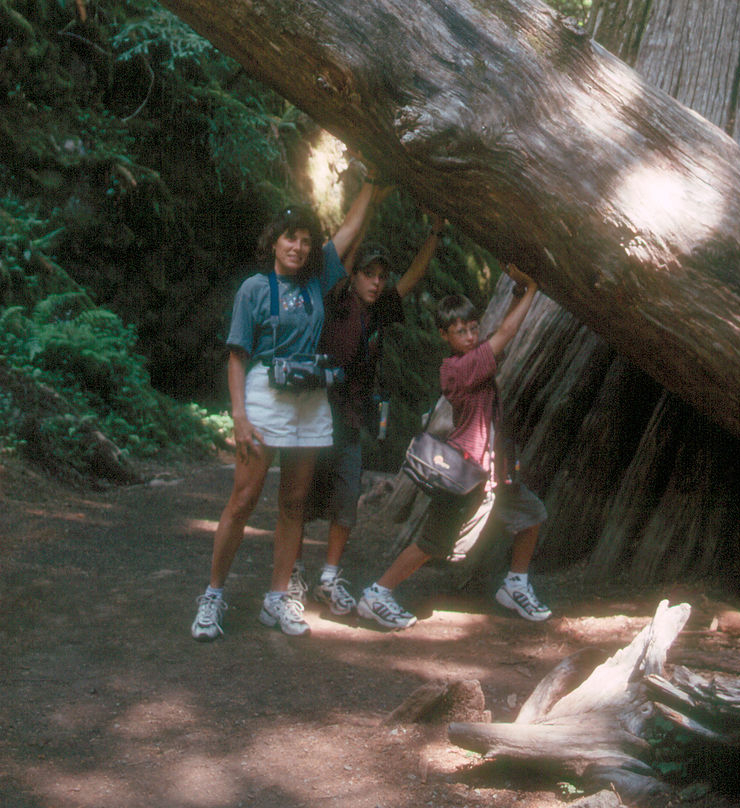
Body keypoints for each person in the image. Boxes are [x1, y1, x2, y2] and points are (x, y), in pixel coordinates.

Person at [190, 185, 376, 641]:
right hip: (264, 395)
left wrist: (372, 183)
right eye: (290, 238)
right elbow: (237, 355)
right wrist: (239, 415)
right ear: (274, 241)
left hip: (310, 401)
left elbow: (350, 232)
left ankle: (278, 599)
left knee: (294, 502)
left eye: (306, 240)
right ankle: (212, 595)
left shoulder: (318, 281)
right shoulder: (254, 289)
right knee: (244, 498)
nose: (298, 247)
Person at [356, 265, 551, 630]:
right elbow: (506, 332)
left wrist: (515, 293)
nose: (470, 335)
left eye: (473, 327)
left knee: (532, 515)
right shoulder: (460, 369)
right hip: (463, 475)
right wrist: (533, 288)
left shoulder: (475, 359)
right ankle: (377, 593)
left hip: (491, 475)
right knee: (431, 543)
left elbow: (496, 333)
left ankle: (515, 585)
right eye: (460, 331)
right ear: (444, 336)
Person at [291, 212, 445, 614]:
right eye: (369, 274)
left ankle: (328, 577)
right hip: (313, 416)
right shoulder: (335, 299)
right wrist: (371, 202)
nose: (376, 282)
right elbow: (338, 258)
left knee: (346, 499)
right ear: (353, 275)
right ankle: (290, 572)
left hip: (350, 421)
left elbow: (411, 277)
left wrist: (435, 232)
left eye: (381, 276)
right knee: (299, 497)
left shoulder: (380, 310)